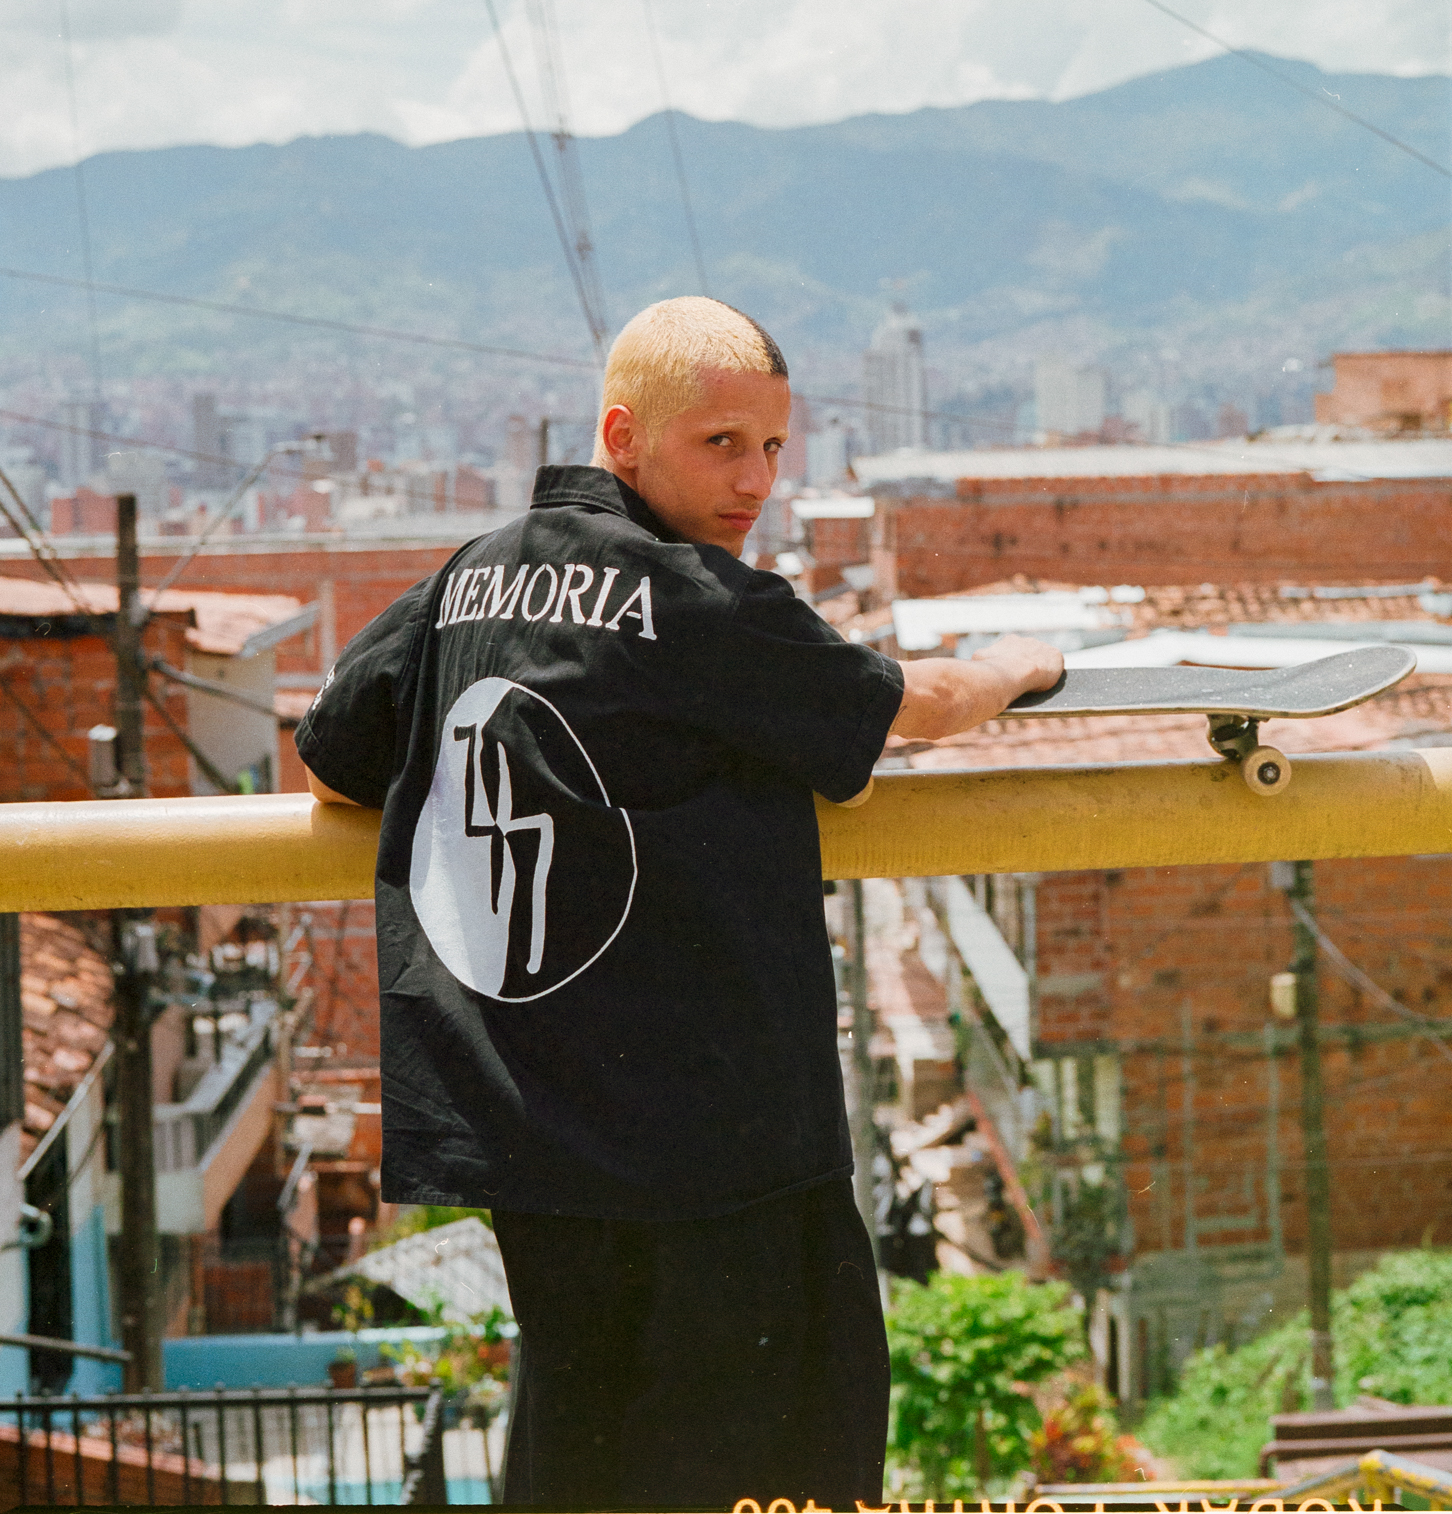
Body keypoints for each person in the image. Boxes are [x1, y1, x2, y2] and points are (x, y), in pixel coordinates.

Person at [297, 297, 1061, 1511]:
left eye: (773, 445)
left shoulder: (469, 577)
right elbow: (910, 706)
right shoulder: (701, 599)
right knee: (783, 1459)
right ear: (624, 434)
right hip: (720, 1141)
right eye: (721, 444)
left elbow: (334, 759)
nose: (756, 479)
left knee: (582, 1452)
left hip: (534, 1134)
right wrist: (1024, 664)